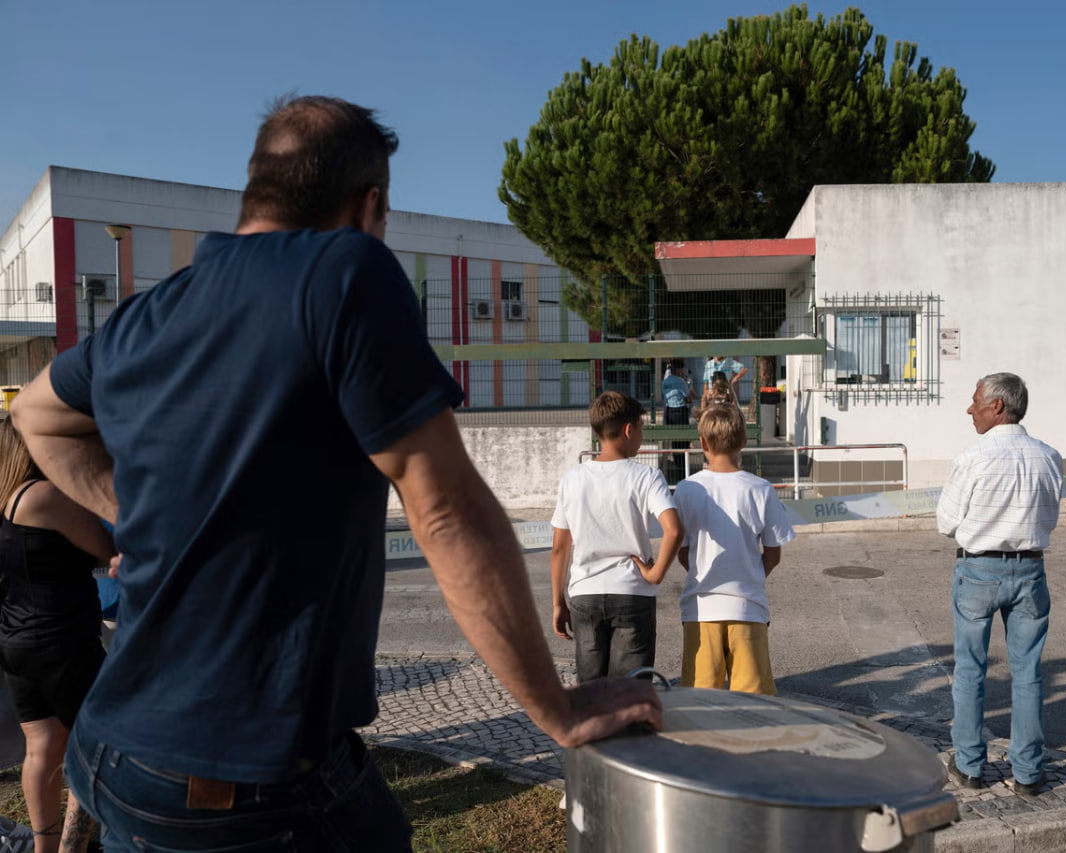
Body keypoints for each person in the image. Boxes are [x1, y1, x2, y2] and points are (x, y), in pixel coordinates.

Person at [10, 95, 660, 852]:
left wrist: (137, 513)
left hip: (113, 753)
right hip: (244, 779)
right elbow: (444, 509)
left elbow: (36, 414)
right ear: (370, 204)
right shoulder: (346, 270)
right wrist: (558, 707)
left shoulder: (148, 314)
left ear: (257, 191)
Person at [935, 372, 1063, 797]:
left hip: (978, 570)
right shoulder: (1049, 456)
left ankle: (970, 765)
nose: (969, 408)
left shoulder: (973, 458)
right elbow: (1050, 516)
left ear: (997, 407)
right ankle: (1028, 773)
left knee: (970, 669)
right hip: (1030, 569)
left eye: (975, 401)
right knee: (1028, 672)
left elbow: (946, 523)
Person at [0, 419, 114, 853]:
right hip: (60, 640)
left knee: (42, 746)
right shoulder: (44, 496)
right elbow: (105, 546)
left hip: (17, 637)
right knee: (92, 745)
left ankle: (48, 850)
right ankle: (72, 848)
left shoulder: (8, 499)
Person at [551, 391, 683, 682]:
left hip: (584, 594)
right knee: (630, 693)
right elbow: (673, 529)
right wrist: (656, 574)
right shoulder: (647, 477)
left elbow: (560, 547)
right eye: (641, 429)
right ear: (628, 429)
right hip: (633, 593)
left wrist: (558, 602)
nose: (641, 436)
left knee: (593, 693)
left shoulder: (573, 478)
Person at [673, 404, 794, 694]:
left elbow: (680, 550)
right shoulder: (761, 489)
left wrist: (701, 571)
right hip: (748, 606)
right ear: (744, 441)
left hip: (700, 608)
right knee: (754, 700)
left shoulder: (687, 489)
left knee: (699, 698)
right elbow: (773, 552)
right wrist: (751, 573)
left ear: (701, 443)